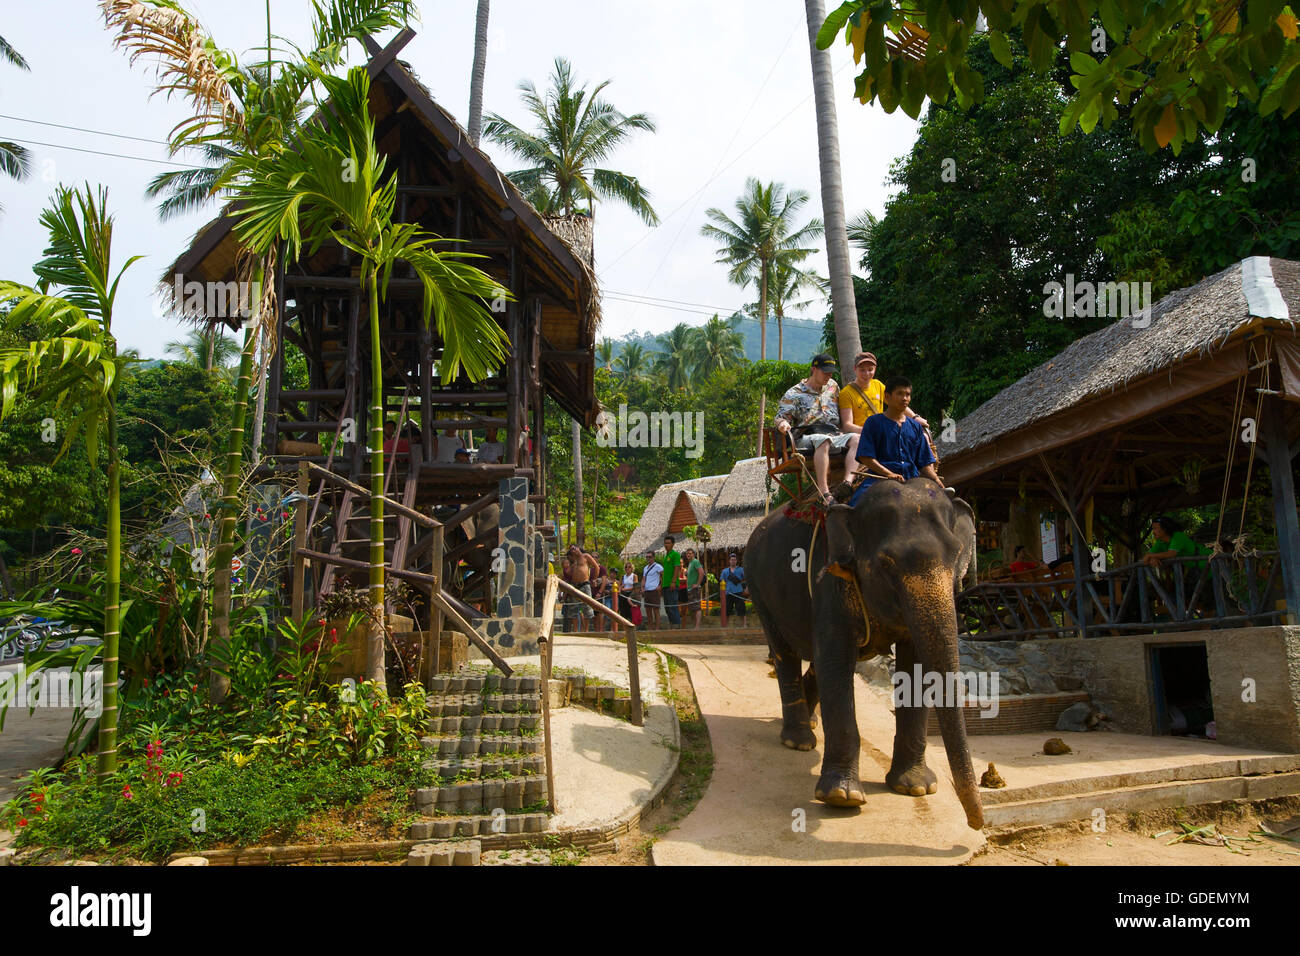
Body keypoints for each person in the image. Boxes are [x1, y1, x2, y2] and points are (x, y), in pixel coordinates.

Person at [775, 353, 860, 504]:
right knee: (824, 440)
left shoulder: (833, 386)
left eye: (831, 372)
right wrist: (782, 424)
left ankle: (847, 483)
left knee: (857, 439)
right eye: (825, 371)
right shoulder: (794, 393)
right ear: (813, 369)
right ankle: (824, 492)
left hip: (833, 433)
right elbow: (780, 417)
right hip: (807, 436)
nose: (828, 375)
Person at [849, 377, 940, 507]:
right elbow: (866, 457)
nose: (904, 398)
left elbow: (924, 462)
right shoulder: (873, 423)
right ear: (887, 397)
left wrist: (936, 480)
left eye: (907, 394)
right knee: (856, 506)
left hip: (912, 479)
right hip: (879, 478)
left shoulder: (915, 426)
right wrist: (889, 474)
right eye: (900, 394)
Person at [838, 351, 929, 478]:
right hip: (866, 435)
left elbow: (898, 402)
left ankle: (925, 473)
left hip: (884, 431)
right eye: (862, 370)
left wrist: (915, 417)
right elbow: (847, 425)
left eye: (870, 370)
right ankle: (848, 482)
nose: (866, 374)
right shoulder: (846, 393)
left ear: (875, 369)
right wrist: (869, 431)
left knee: (922, 435)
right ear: (855, 369)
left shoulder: (878, 385)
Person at [1143, 516, 1210, 570]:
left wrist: (1150, 556)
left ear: (1165, 529)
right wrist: (1152, 558)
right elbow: (1146, 557)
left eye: (1155, 528)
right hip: (1199, 570)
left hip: (1212, 564)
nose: (1153, 532)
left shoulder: (1178, 536)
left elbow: (1171, 553)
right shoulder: (1160, 542)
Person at [561, 544, 599, 633]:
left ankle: (586, 630)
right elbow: (568, 573)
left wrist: (594, 579)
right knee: (574, 609)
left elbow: (596, 567)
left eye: (574, 548)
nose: (573, 551)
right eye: (571, 550)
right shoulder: (573, 561)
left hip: (585, 584)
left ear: (578, 548)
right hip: (575, 586)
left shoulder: (586, 556)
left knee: (587, 607)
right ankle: (575, 630)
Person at [660, 535, 682, 628]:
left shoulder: (675, 554)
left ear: (673, 544)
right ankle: (672, 624)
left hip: (672, 584)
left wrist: (673, 582)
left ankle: (677, 625)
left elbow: (677, 568)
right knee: (667, 607)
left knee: (673, 605)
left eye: (668, 543)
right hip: (665, 585)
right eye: (665, 543)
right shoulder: (666, 556)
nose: (666, 545)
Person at [720, 552, 747, 626]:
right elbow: (722, 581)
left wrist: (745, 588)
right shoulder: (725, 571)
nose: (733, 561)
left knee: (742, 609)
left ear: (736, 561)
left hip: (738, 592)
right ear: (729, 561)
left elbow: (746, 579)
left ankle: (744, 624)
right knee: (727, 610)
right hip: (728, 593)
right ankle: (726, 625)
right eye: (732, 560)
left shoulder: (741, 569)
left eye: (734, 560)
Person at [642, 550, 664, 629]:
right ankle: (650, 627)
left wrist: (660, 586)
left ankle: (657, 628)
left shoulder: (658, 566)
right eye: (647, 557)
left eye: (650, 557)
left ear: (653, 557)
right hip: (647, 591)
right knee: (648, 610)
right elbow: (644, 579)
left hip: (654, 590)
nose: (648, 558)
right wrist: (642, 588)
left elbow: (663, 576)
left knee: (656, 610)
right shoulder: (645, 568)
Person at [684, 547, 705, 629]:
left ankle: (697, 626)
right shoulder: (690, 563)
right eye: (687, 553)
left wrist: (697, 584)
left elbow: (701, 572)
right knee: (692, 608)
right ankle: (695, 625)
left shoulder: (695, 562)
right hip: (690, 588)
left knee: (697, 607)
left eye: (690, 553)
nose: (688, 555)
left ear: (693, 554)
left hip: (695, 588)